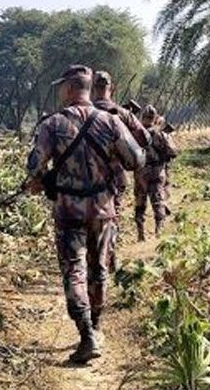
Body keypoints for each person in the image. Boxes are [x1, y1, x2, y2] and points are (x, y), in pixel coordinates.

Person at [25, 65, 144, 364]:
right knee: (99, 269)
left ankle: (87, 333)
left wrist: (41, 180)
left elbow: (34, 167)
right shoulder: (111, 121)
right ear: (88, 89)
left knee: (74, 271)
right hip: (104, 211)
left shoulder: (52, 125)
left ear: (67, 89)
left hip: (68, 213)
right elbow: (136, 159)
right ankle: (97, 327)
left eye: (60, 88)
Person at [89, 71, 150, 278]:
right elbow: (145, 138)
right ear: (111, 88)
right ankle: (110, 258)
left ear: (92, 88)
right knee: (111, 216)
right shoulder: (122, 113)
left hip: (82, 175)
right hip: (113, 177)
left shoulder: (81, 112)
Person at [134, 106, 177, 241]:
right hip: (158, 171)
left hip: (141, 172)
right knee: (158, 200)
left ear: (142, 118)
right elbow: (173, 152)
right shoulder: (161, 134)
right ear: (155, 118)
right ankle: (159, 230)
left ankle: (140, 233)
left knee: (140, 202)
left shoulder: (136, 133)